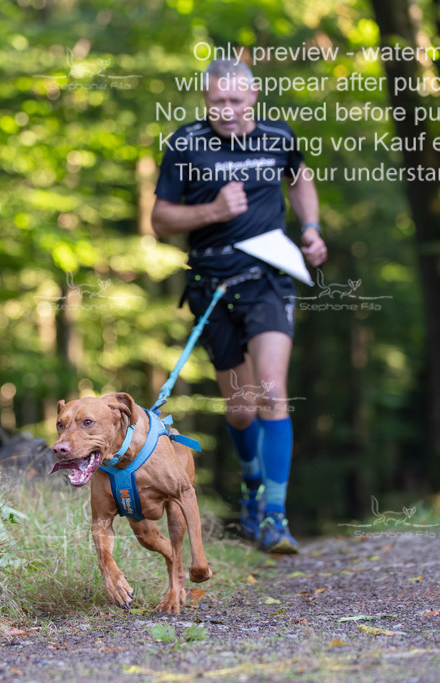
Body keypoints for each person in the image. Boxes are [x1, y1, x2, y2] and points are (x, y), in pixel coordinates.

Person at [150, 58, 327, 554]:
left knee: (272, 389)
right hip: (212, 286)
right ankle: (252, 490)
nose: (226, 111)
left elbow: (301, 179)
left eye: (234, 101)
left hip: (268, 280)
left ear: (253, 97)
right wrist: (213, 210)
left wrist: (311, 229)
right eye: (216, 102)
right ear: (206, 101)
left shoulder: (277, 136)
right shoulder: (185, 144)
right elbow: (160, 220)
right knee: (243, 408)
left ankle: (275, 516)